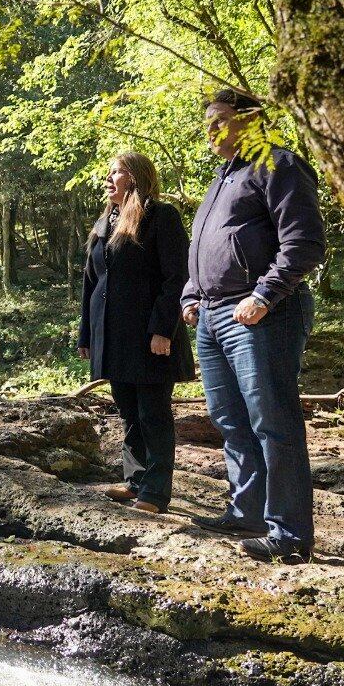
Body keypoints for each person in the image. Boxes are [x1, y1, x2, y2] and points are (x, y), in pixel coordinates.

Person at [182, 88, 326, 563]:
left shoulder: (278, 165)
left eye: (220, 120)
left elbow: (303, 243)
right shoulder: (223, 178)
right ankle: (247, 511)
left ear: (252, 120)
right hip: (213, 315)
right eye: (207, 123)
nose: (211, 130)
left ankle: (289, 536)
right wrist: (191, 295)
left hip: (262, 314)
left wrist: (264, 295)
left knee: (273, 422)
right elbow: (205, 246)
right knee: (230, 420)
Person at [79, 152, 194, 514]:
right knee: (128, 410)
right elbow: (90, 281)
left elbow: (176, 277)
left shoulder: (162, 217)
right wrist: (87, 334)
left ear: (138, 178)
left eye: (118, 172)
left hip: (149, 335)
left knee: (152, 412)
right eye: (108, 172)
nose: (109, 178)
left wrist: (164, 329)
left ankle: (156, 494)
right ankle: (135, 480)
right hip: (113, 335)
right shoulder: (104, 221)